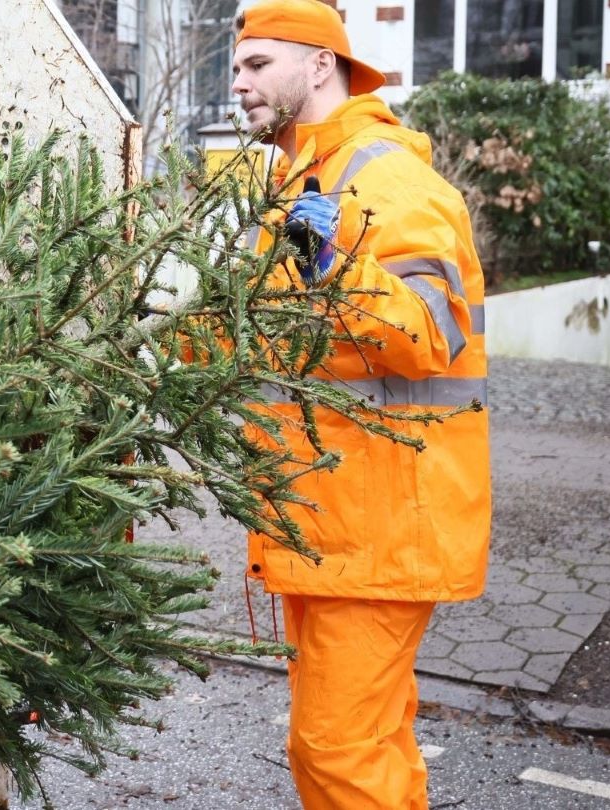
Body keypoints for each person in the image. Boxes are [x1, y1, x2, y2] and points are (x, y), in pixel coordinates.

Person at [228, 1, 491, 807]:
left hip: (377, 530)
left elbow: (429, 330)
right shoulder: (301, 183)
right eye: (236, 68)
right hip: (330, 525)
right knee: (364, 745)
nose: (238, 85)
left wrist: (339, 263)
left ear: (319, 65)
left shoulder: (385, 178)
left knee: (336, 751)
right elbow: (277, 345)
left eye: (257, 65)